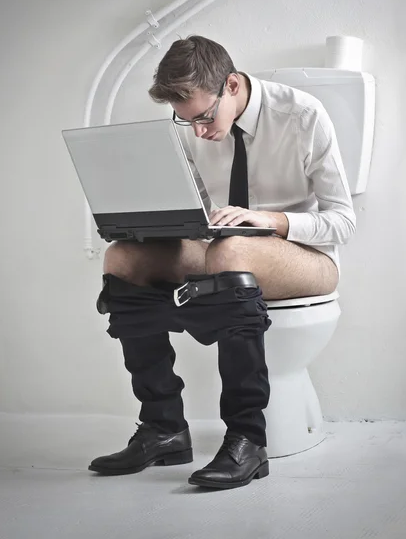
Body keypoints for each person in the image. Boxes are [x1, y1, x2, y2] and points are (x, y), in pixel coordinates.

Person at [89, 35, 356, 489]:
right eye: (185, 119)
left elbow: (343, 222)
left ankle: (247, 439)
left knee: (231, 251)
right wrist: (146, 223)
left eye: (204, 117)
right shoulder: (193, 125)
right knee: (124, 258)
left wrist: (267, 220)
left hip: (306, 256)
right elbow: (193, 211)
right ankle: (163, 427)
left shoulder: (303, 115)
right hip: (218, 247)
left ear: (232, 85)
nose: (197, 130)